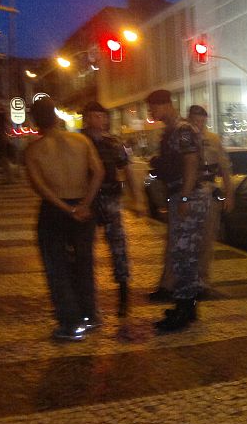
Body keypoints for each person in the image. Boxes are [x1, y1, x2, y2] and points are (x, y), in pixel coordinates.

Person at [24, 97, 104, 341]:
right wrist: (84, 204)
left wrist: (67, 209)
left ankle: (71, 322)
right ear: (57, 118)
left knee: (57, 266)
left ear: (36, 122)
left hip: (55, 212)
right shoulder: (81, 141)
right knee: (83, 262)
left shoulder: (34, 151)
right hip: (83, 206)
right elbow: (98, 172)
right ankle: (90, 315)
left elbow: (41, 189)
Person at [146, 89, 209, 332]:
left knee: (183, 254)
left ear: (165, 104)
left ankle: (183, 311)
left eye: (153, 107)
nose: (151, 112)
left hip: (188, 196)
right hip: (182, 195)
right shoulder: (173, 131)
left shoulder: (182, 130)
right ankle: (187, 307)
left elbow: (191, 163)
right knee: (185, 254)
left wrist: (184, 195)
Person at [81, 101, 142, 317]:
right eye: (94, 116)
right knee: (83, 250)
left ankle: (123, 296)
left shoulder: (114, 143)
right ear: (86, 118)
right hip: (86, 201)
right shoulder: (78, 141)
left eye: (102, 116)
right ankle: (86, 299)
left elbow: (127, 170)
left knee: (118, 247)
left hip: (110, 199)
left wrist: (137, 200)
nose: (99, 120)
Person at [187, 105, 234, 292]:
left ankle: (202, 279)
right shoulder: (184, 138)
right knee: (188, 240)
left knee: (207, 239)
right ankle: (187, 278)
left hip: (208, 193)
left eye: (202, 121)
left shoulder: (213, 140)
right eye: (195, 120)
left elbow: (224, 169)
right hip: (189, 195)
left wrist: (229, 194)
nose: (198, 124)